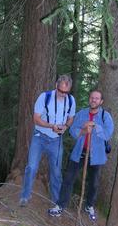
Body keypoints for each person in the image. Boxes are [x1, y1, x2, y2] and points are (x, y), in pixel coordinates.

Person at [48, 89, 114, 222]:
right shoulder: (81, 114)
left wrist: (95, 126)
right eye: (91, 97)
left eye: (96, 98)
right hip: (79, 153)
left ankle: (89, 206)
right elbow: (72, 131)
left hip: (96, 156)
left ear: (101, 101)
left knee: (93, 183)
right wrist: (84, 130)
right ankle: (60, 205)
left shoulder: (105, 116)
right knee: (68, 179)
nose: (93, 100)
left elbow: (108, 134)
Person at [19, 74, 76, 207]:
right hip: (40, 137)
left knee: (56, 172)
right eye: (61, 91)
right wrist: (52, 126)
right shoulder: (45, 97)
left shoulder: (71, 100)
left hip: (56, 140)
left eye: (66, 92)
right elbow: (36, 119)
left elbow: (71, 117)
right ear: (56, 85)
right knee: (32, 167)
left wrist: (65, 127)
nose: (63, 94)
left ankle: (57, 201)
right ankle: (25, 196)